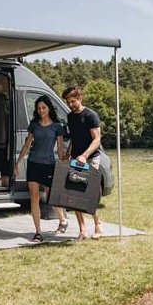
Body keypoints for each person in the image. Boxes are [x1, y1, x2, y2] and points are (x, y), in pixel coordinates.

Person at [15, 95, 69, 242]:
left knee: (51, 197)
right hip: (33, 163)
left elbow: (59, 148)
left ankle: (63, 219)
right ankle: (38, 232)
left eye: (44, 107)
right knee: (34, 197)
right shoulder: (34, 125)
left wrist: (63, 164)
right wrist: (17, 163)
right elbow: (27, 145)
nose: (41, 110)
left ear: (49, 108)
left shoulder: (57, 126)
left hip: (49, 164)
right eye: (39, 108)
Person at [63, 85, 105, 240]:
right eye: (68, 102)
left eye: (73, 101)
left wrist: (84, 155)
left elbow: (97, 140)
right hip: (75, 158)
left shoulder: (91, 115)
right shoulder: (70, 117)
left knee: (88, 194)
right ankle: (82, 230)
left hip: (91, 157)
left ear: (80, 98)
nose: (70, 105)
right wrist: (68, 154)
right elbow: (74, 139)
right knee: (74, 194)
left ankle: (98, 224)